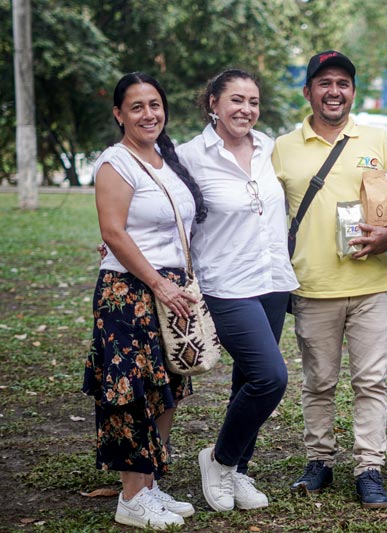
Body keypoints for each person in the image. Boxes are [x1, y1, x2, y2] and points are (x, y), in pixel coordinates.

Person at [272, 50, 387, 509]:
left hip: (371, 286)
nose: (334, 91)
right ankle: (319, 462)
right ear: (308, 91)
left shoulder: (378, 139)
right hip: (312, 286)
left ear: (352, 91)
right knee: (318, 381)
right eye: (324, 82)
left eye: (343, 83)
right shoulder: (284, 148)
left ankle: (369, 467)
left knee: (371, 381)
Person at [83, 72, 206, 530]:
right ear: (119, 114)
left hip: (168, 289)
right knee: (131, 390)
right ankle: (131, 496)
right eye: (136, 107)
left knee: (167, 386)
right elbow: (112, 231)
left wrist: (176, 284)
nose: (148, 114)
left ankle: (149, 484)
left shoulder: (163, 159)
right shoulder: (116, 161)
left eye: (154, 104)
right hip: (130, 292)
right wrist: (158, 282)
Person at [179, 69, 298, 512]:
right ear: (213, 103)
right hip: (224, 284)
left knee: (247, 379)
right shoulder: (190, 155)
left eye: (253, 100)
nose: (245, 109)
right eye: (235, 100)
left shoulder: (268, 148)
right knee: (271, 377)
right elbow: (167, 208)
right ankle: (219, 459)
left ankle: (237, 470)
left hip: (272, 280)